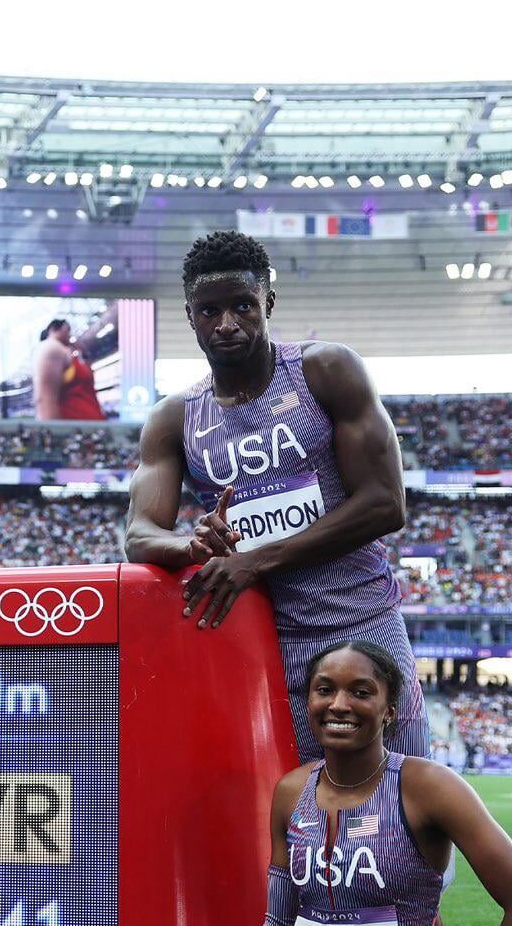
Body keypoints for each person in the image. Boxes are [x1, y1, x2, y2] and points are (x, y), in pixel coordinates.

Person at [124, 230, 429, 763]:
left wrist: (254, 561)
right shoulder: (175, 418)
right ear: (189, 315)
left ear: (268, 301)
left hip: (362, 620)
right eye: (208, 310)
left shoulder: (325, 371)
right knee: (297, 823)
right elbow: (140, 535)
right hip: (266, 642)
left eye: (242, 305)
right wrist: (191, 546)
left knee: (400, 803)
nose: (226, 324)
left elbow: (386, 502)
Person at [238, 642, 512, 926]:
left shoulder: (429, 787)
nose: (339, 704)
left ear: (389, 710)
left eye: (360, 692)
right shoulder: (291, 791)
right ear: (309, 701)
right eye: (325, 690)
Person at [32, 318, 106, 421]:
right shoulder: (52, 347)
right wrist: (55, 433)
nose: (69, 335)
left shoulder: (66, 352)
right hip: (76, 429)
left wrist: (82, 352)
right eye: (67, 330)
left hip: (87, 428)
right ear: (53, 329)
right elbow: (45, 400)